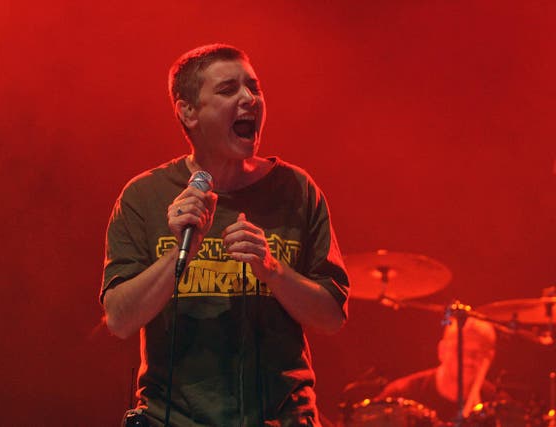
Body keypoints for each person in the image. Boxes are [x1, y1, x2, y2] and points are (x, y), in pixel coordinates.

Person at [100, 43, 350, 426]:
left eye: (254, 87)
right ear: (188, 111)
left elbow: (332, 316)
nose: (249, 99)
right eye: (228, 89)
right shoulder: (144, 196)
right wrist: (180, 254)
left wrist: (272, 269)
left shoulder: (297, 190)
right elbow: (119, 320)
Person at [374, 316, 501, 423]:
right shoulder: (401, 395)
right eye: (460, 349)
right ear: (442, 351)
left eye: (478, 352)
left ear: (490, 358)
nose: (468, 359)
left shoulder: (499, 407)